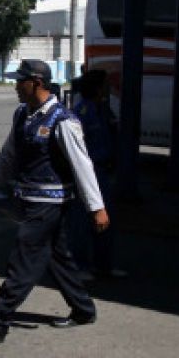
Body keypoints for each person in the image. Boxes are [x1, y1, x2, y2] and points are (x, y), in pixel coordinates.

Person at [0, 59, 110, 348]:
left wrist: (97, 207)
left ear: (37, 83)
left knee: (23, 262)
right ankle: (83, 310)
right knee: (58, 258)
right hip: (28, 200)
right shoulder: (23, 114)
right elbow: (9, 157)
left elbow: (83, 166)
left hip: (50, 205)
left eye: (20, 81)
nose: (16, 87)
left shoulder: (63, 120)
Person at [70, 69, 127, 279]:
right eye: (105, 84)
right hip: (86, 175)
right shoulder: (80, 113)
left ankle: (104, 265)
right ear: (96, 87)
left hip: (102, 173)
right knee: (82, 222)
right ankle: (80, 265)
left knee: (105, 220)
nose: (108, 88)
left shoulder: (103, 110)